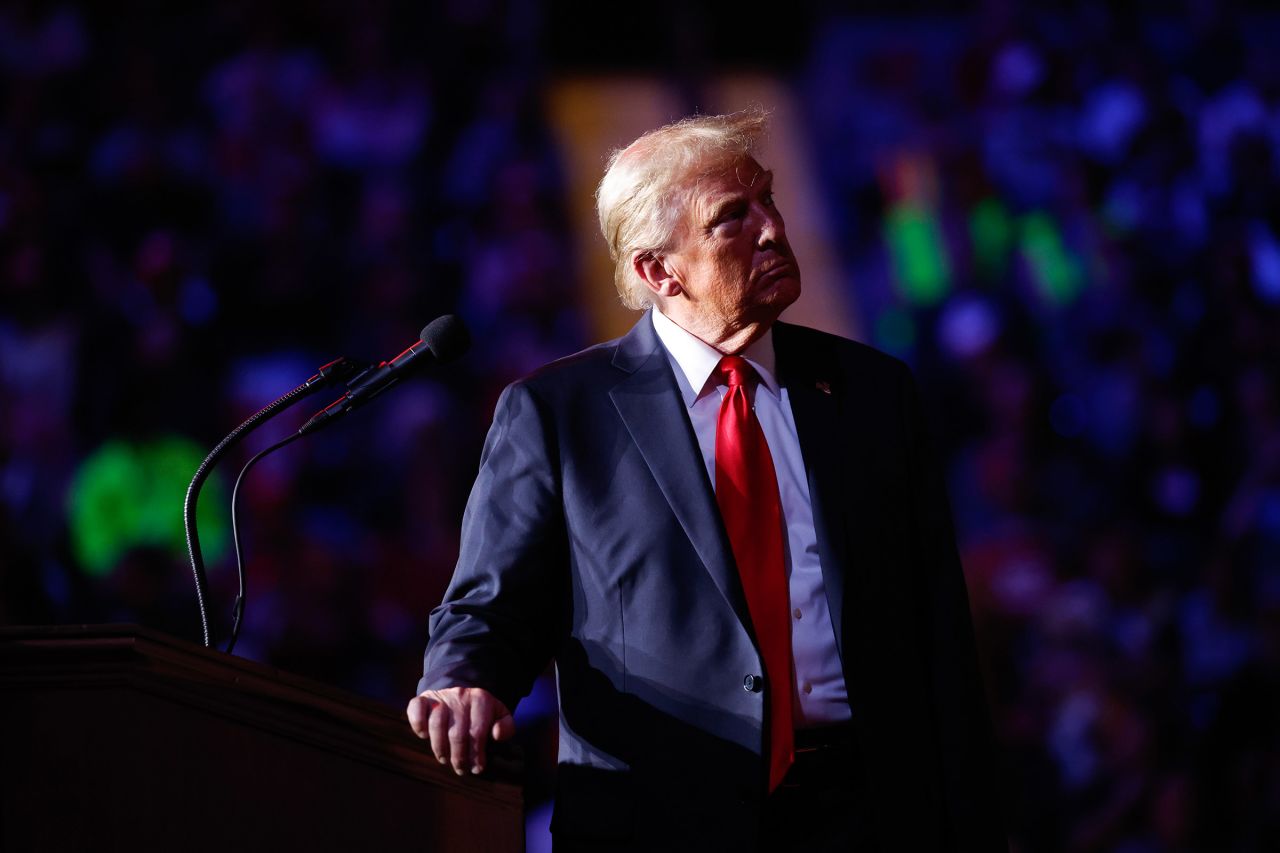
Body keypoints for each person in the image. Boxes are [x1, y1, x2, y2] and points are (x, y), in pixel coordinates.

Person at [407, 108, 1006, 850]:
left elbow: (938, 626)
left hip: (870, 811)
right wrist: (464, 677)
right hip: (659, 817)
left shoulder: (874, 393)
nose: (771, 228)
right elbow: (493, 605)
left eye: (769, 200)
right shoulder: (559, 413)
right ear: (658, 271)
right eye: (732, 218)